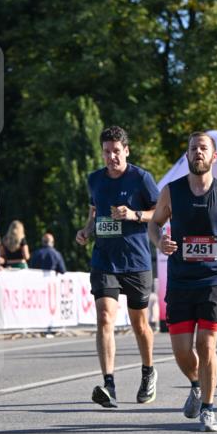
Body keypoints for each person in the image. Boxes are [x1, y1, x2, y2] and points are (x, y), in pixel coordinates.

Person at [149, 132, 217, 432]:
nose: (197, 152)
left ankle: (209, 409)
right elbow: (154, 224)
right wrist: (161, 243)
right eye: (193, 148)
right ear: (187, 156)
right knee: (182, 351)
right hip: (181, 280)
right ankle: (196, 385)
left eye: (203, 148)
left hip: (214, 279)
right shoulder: (172, 192)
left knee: (205, 344)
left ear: (214, 157)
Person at [76, 125, 159, 408]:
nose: (111, 157)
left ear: (126, 151)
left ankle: (148, 372)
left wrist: (134, 214)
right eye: (106, 152)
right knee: (104, 319)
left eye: (116, 151)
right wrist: (86, 230)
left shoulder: (141, 179)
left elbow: (160, 214)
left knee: (139, 324)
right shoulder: (95, 179)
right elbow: (94, 210)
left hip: (135, 261)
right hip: (104, 260)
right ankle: (108, 383)